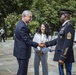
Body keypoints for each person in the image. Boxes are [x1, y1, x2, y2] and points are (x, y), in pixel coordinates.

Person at [41, 9, 75, 75]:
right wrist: (46, 44)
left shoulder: (69, 26)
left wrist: (63, 57)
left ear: (65, 16)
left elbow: (68, 44)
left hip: (65, 58)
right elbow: (58, 40)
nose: (59, 17)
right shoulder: (64, 26)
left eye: (60, 16)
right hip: (62, 56)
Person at [13, 10, 41, 75]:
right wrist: (38, 44)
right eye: (30, 17)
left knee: (21, 70)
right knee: (22, 71)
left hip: (20, 52)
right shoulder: (22, 26)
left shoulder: (21, 24)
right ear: (24, 16)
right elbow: (27, 40)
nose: (31, 19)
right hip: (22, 53)